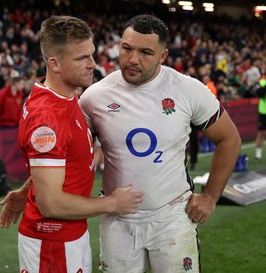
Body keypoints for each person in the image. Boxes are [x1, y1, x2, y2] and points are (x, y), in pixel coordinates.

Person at [79, 14, 241, 273]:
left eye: (145, 52)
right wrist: (30, 190)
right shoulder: (94, 96)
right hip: (117, 220)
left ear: (163, 56)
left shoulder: (188, 90)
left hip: (172, 216)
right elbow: (65, 151)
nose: (133, 59)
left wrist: (210, 196)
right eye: (127, 48)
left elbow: (229, 138)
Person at [0, 15, 143, 273]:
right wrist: (111, 203)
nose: (92, 64)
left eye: (91, 54)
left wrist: (28, 190)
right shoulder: (48, 120)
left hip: (65, 235)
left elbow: (55, 164)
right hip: (52, 244)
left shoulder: (62, 96)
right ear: (54, 63)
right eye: (81, 58)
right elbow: (51, 204)